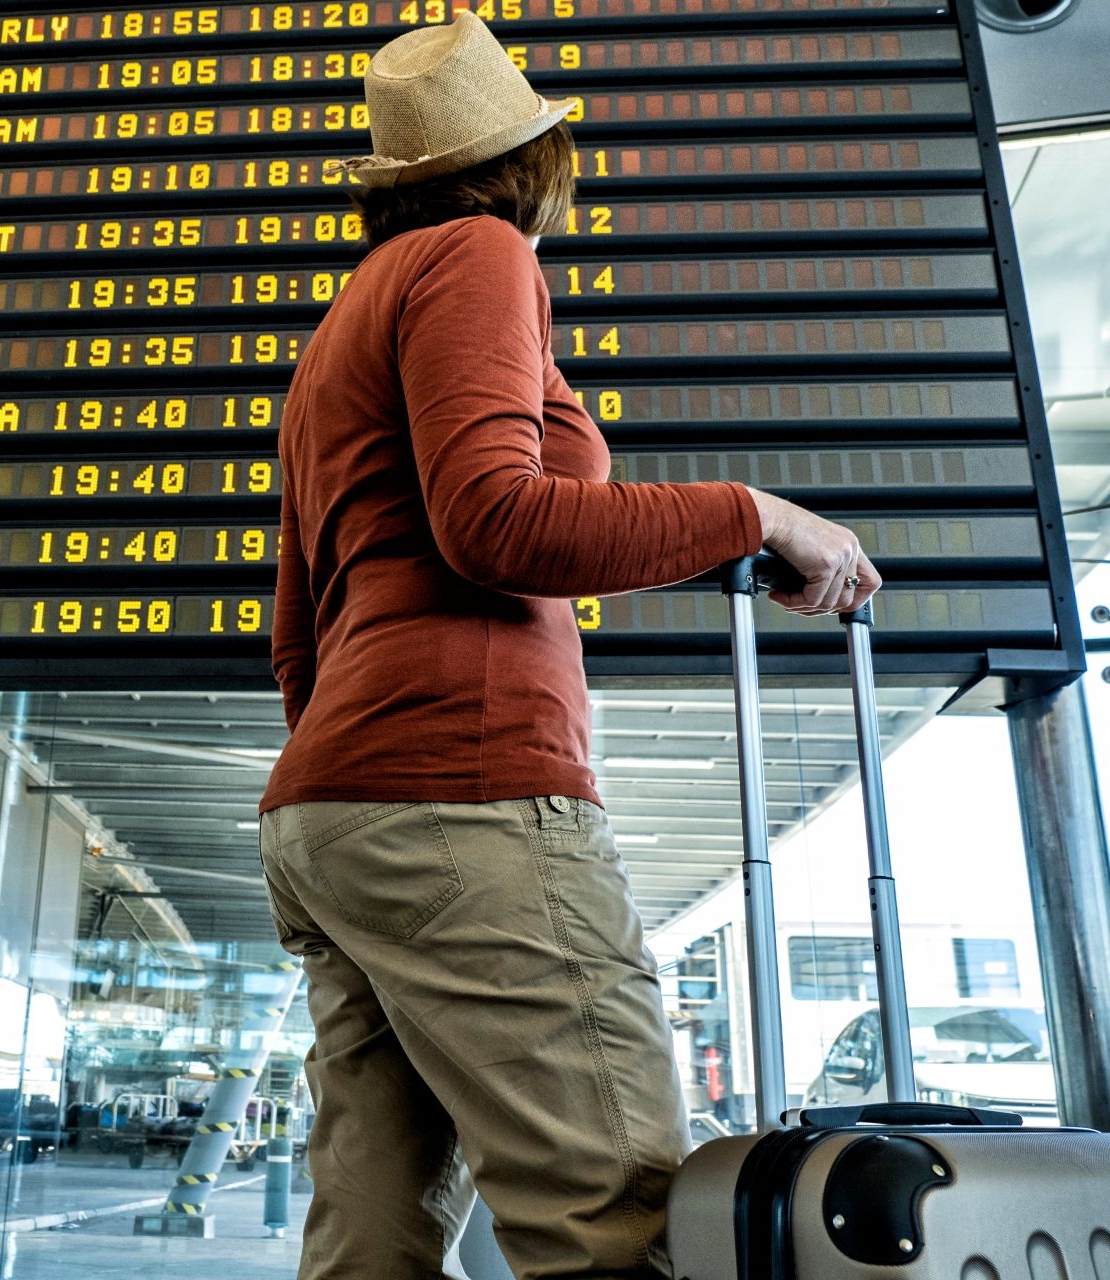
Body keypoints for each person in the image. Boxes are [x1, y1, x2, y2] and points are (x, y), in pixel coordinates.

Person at [255, 14, 881, 1280]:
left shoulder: (339, 329)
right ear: (541, 159)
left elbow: (296, 636)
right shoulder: (480, 254)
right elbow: (499, 520)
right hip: (465, 791)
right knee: (623, 1224)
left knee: (368, 1238)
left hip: (336, 810)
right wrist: (759, 512)